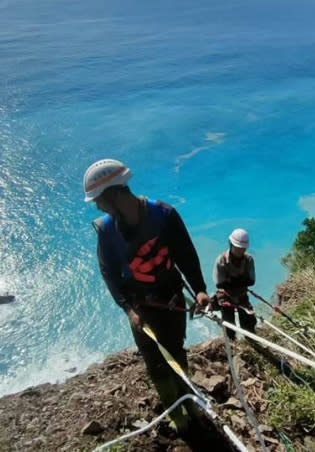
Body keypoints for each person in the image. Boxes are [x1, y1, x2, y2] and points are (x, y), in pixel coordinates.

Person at [84, 158, 210, 432]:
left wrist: (199, 289)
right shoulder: (106, 231)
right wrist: (129, 309)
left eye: (99, 200)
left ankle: (189, 405)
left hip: (172, 299)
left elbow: (185, 255)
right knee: (155, 362)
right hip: (142, 308)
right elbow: (110, 274)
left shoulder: (164, 215)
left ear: (115, 194)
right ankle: (178, 414)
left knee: (176, 351)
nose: (97, 206)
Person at [212, 228, 257, 340]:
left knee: (249, 325)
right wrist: (239, 281)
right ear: (231, 244)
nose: (240, 251)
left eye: (242, 249)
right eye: (238, 248)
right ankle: (231, 344)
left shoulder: (249, 260)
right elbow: (219, 283)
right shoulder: (221, 260)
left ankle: (252, 343)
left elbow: (252, 281)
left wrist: (231, 282)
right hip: (226, 297)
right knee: (229, 327)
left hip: (242, 295)